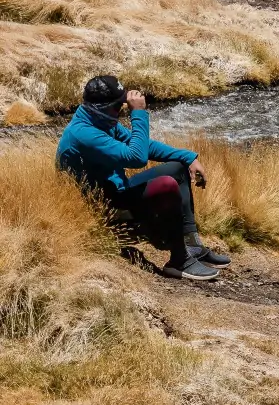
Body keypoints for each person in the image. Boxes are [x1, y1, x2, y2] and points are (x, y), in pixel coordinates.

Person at [56, 74, 230, 282]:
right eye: (119, 106)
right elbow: (137, 157)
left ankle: (192, 245)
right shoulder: (84, 133)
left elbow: (142, 146)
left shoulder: (100, 120)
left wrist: (188, 157)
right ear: (102, 107)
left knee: (177, 168)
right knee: (167, 185)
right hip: (103, 206)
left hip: (116, 190)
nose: (121, 110)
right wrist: (138, 112)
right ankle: (178, 260)